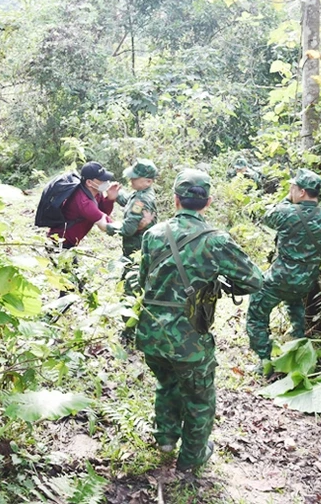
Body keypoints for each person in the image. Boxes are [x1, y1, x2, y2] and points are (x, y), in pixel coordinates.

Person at [136, 169, 263, 472]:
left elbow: (143, 281)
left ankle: (165, 438)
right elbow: (255, 281)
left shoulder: (153, 234)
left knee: (166, 383)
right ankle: (192, 458)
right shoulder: (216, 241)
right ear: (208, 202)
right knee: (199, 397)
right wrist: (220, 284)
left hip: (152, 331)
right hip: (189, 337)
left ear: (175, 199)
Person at [245, 168, 321, 372]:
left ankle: (264, 361)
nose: (290, 190)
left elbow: (267, 216)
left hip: (280, 279)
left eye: (293, 187)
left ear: (301, 192)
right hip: (307, 282)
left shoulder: (285, 212)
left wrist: (287, 198)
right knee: (295, 304)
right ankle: (299, 344)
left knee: (256, 311)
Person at [104, 158, 159, 295]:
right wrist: (117, 195)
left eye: (135, 178)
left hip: (137, 252)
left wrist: (107, 226)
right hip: (138, 251)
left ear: (148, 181)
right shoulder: (142, 194)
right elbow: (130, 202)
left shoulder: (142, 200)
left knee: (131, 290)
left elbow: (128, 229)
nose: (131, 180)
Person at [47, 161, 121, 249]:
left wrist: (109, 199)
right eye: (101, 180)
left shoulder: (95, 193)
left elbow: (102, 212)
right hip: (59, 243)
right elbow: (104, 225)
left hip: (70, 242)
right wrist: (128, 227)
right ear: (89, 182)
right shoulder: (84, 202)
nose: (106, 182)